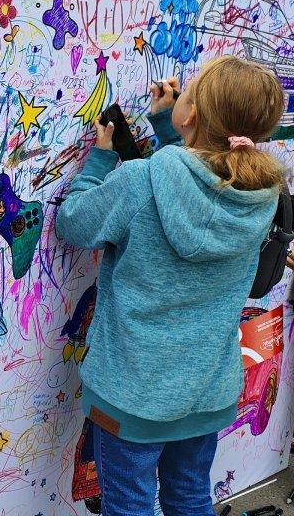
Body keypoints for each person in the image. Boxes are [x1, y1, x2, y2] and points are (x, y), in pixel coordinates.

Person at [55, 55, 287, 516]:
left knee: (130, 505)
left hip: (133, 396)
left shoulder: (139, 181)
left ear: (192, 113)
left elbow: (74, 222)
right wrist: (169, 129)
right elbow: (200, 189)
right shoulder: (261, 195)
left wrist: (99, 161)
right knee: (189, 497)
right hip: (207, 393)